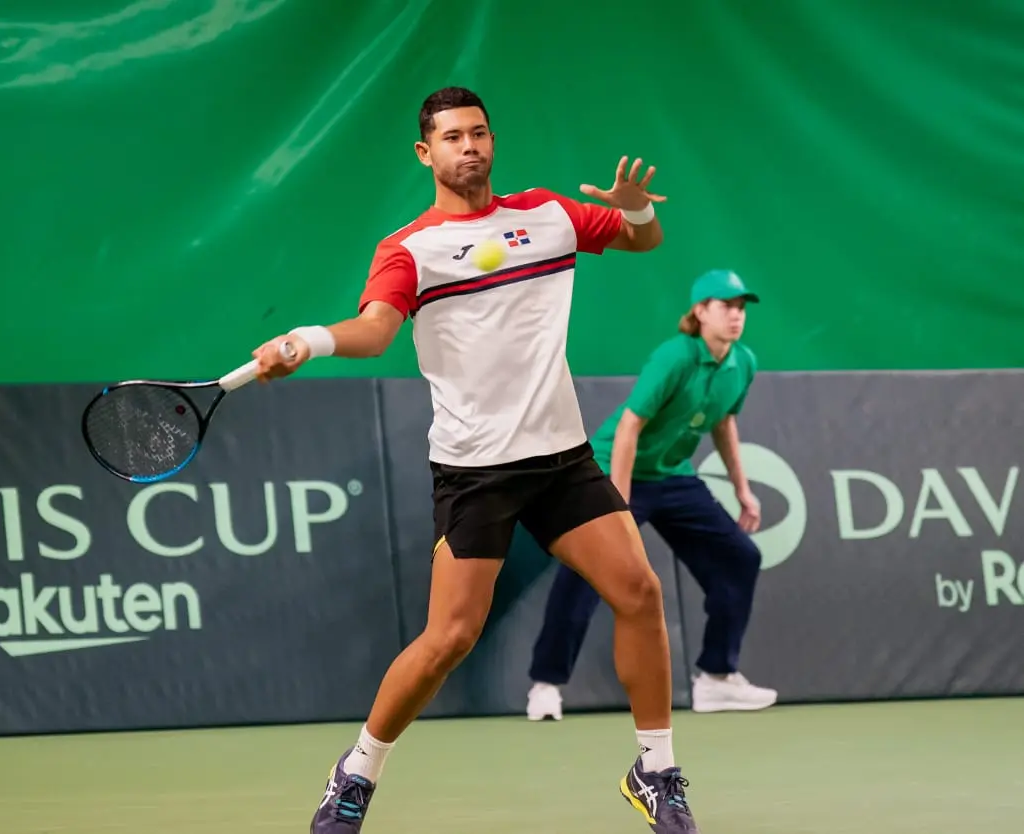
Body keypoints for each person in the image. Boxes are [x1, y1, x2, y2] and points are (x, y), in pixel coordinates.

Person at [251, 86, 701, 834]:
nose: (471, 147)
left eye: (480, 133)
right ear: (427, 153)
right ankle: (356, 773)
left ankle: (654, 770)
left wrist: (637, 209)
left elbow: (640, 239)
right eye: (454, 137)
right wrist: (308, 341)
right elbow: (374, 330)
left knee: (639, 592)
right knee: (448, 640)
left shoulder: (549, 215)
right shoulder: (410, 249)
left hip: (560, 458)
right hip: (476, 473)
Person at [525, 269, 778, 721]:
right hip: (612, 467)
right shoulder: (674, 356)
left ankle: (716, 679)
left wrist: (743, 489)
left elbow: (724, 423)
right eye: (726, 306)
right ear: (700, 312)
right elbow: (629, 426)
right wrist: (615, 501)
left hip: (672, 476)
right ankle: (546, 686)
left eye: (741, 308)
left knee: (740, 557)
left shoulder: (744, 363)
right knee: (587, 570)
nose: (736, 316)